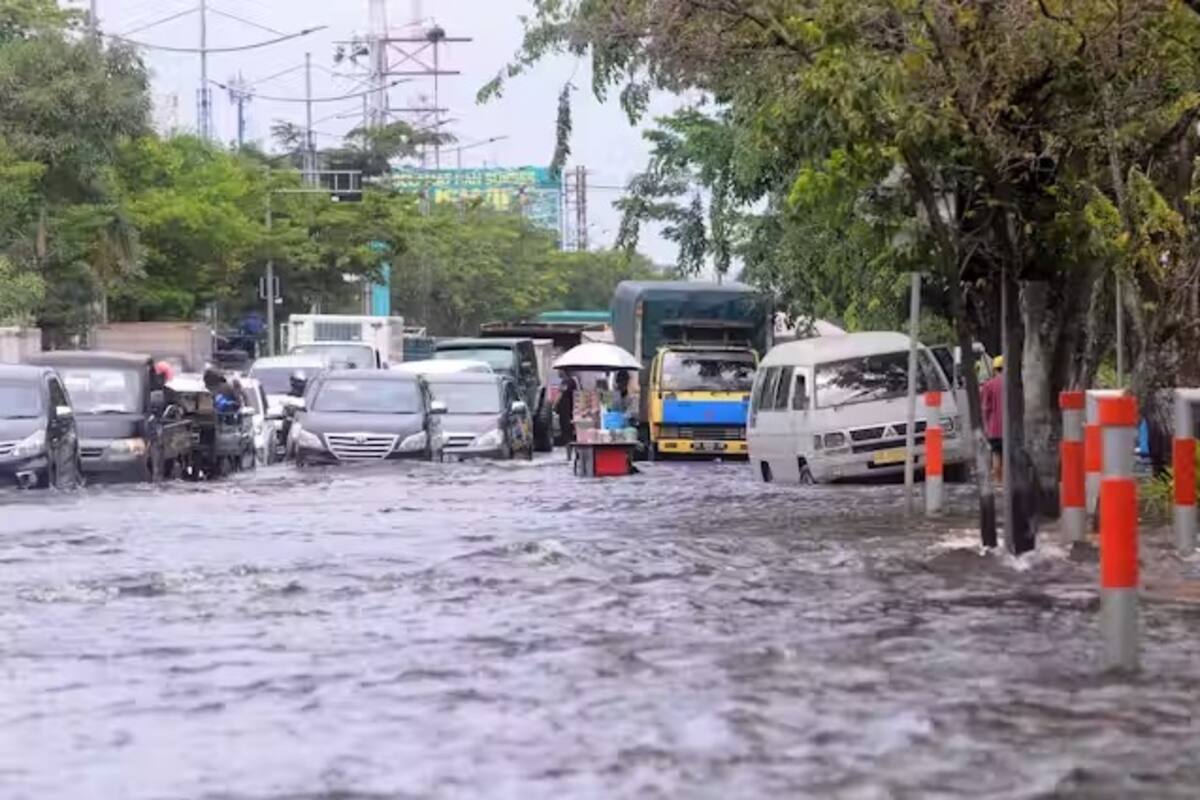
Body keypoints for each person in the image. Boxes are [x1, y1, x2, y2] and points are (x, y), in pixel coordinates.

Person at [980, 355, 1005, 481]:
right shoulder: (1012, 383)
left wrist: (985, 426)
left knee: (996, 455)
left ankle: (998, 482)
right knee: (1009, 457)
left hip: (994, 429)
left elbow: (985, 408)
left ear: (994, 369)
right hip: (1010, 428)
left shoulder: (988, 385)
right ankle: (1008, 483)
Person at [555, 373, 577, 445]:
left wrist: (554, 404)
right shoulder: (572, 381)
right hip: (570, 407)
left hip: (565, 407)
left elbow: (560, 393)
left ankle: (567, 441)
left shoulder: (566, 381)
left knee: (565, 425)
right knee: (569, 424)